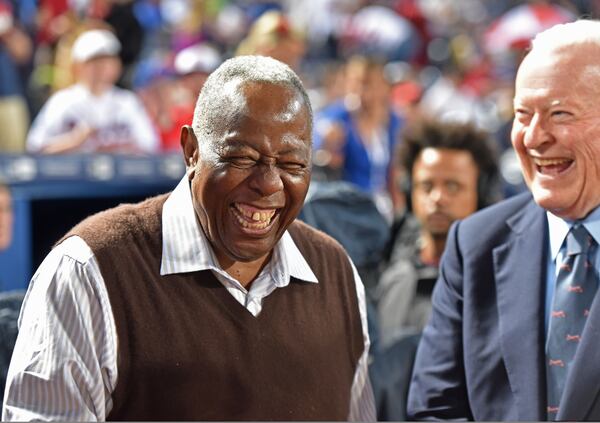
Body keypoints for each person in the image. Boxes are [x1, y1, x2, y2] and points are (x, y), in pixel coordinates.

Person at [3, 55, 375, 421]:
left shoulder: (334, 271)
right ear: (191, 150)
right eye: (243, 158)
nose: (268, 184)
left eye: (292, 164)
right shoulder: (90, 269)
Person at [407, 19, 600, 421]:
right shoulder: (475, 244)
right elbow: (434, 408)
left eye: (559, 113)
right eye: (521, 114)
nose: (532, 137)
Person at [375, 119, 499, 345]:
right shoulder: (390, 276)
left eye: (452, 186)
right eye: (426, 186)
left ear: (481, 193)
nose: (437, 198)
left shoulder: (498, 281)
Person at [26, 28, 158, 154]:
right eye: (94, 61)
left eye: (108, 60)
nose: (102, 67)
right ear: (77, 66)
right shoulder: (62, 101)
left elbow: (151, 147)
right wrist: (73, 140)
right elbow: (35, 148)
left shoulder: (127, 101)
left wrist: (120, 146)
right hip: (71, 175)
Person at [313, 56, 403, 222]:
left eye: (368, 83)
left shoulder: (393, 121)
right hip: (348, 211)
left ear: (383, 87)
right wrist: (328, 145)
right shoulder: (337, 118)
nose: (361, 90)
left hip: (382, 209)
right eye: (356, 83)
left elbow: (393, 171)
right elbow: (320, 136)